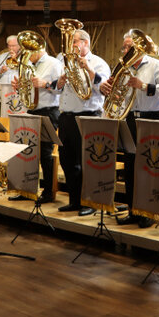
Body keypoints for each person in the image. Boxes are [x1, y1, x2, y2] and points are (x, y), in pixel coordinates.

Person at [100, 31, 159, 228]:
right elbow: (116, 93)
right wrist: (109, 92)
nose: (125, 50)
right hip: (130, 118)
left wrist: (144, 86)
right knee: (131, 167)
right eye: (124, 47)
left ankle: (149, 212)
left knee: (150, 168)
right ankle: (133, 210)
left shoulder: (157, 65)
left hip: (152, 119)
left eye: (129, 47)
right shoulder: (123, 68)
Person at [56, 29, 111, 216]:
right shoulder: (65, 61)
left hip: (88, 116)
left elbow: (104, 88)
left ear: (85, 43)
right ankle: (75, 200)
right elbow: (58, 90)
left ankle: (91, 202)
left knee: (88, 162)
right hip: (66, 117)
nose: (70, 45)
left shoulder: (98, 62)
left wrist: (88, 68)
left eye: (74, 41)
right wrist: (60, 82)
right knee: (67, 160)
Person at [10, 46, 63, 203]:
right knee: (28, 151)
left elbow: (61, 89)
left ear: (39, 49)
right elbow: (28, 91)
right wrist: (19, 88)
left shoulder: (54, 63)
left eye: (28, 51)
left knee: (45, 153)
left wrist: (45, 84)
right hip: (32, 111)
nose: (26, 55)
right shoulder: (29, 65)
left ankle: (48, 192)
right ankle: (26, 189)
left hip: (49, 111)